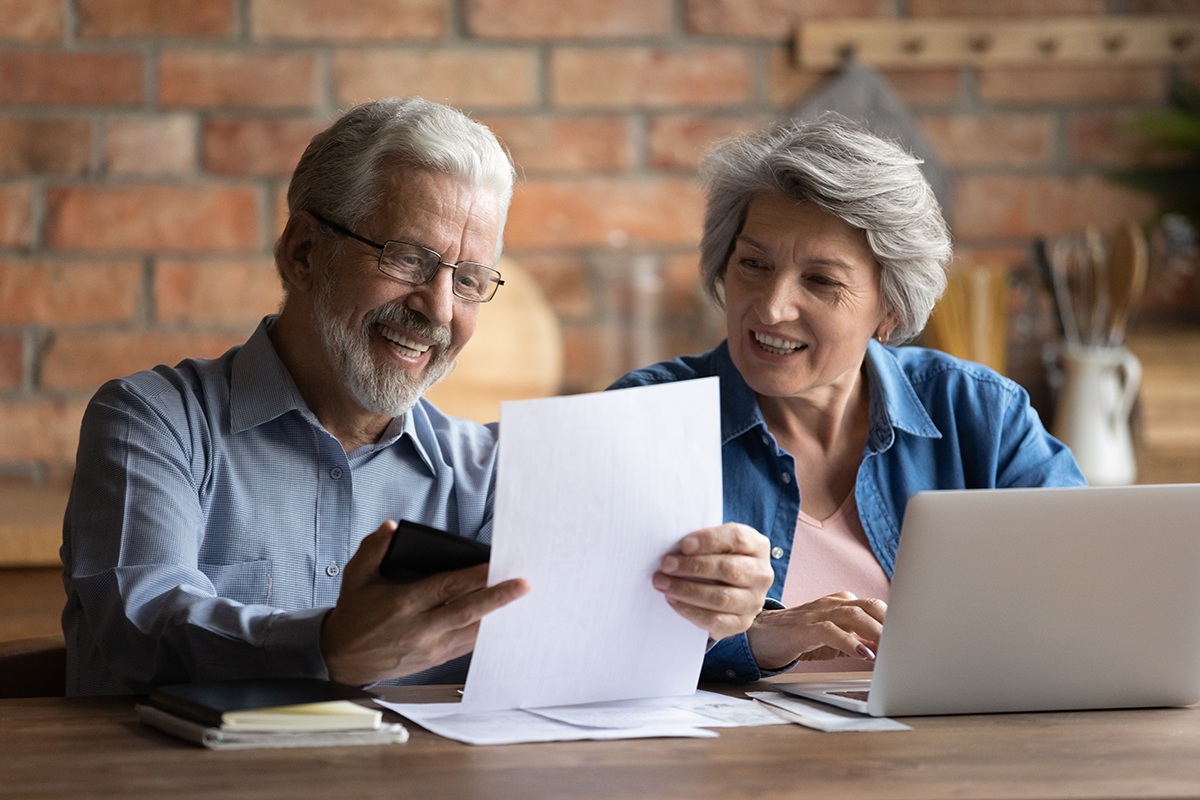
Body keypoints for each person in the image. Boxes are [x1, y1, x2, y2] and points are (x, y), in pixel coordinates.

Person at [61, 97, 773, 696]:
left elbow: (580, 648)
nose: (437, 308)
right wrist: (325, 647)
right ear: (303, 252)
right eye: (407, 257)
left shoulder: (492, 471)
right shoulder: (153, 421)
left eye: (468, 279)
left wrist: (718, 609)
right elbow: (132, 629)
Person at [611, 115, 1087, 683]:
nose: (771, 308)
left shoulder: (981, 415)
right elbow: (568, 636)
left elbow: (1086, 602)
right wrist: (754, 639)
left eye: (821, 280)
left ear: (890, 311)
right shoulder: (643, 419)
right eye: (753, 265)